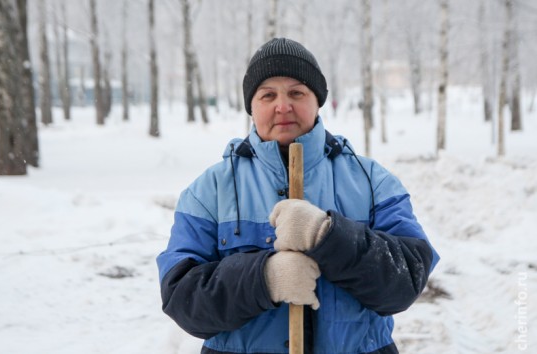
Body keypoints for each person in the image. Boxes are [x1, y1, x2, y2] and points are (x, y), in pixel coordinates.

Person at [157, 37, 439, 354]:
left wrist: (328, 236)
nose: (283, 106)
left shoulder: (372, 181)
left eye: (296, 92)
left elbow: (406, 282)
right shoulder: (209, 191)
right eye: (267, 95)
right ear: (251, 107)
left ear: (317, 100)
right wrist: (264, 278)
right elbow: (182, 300)